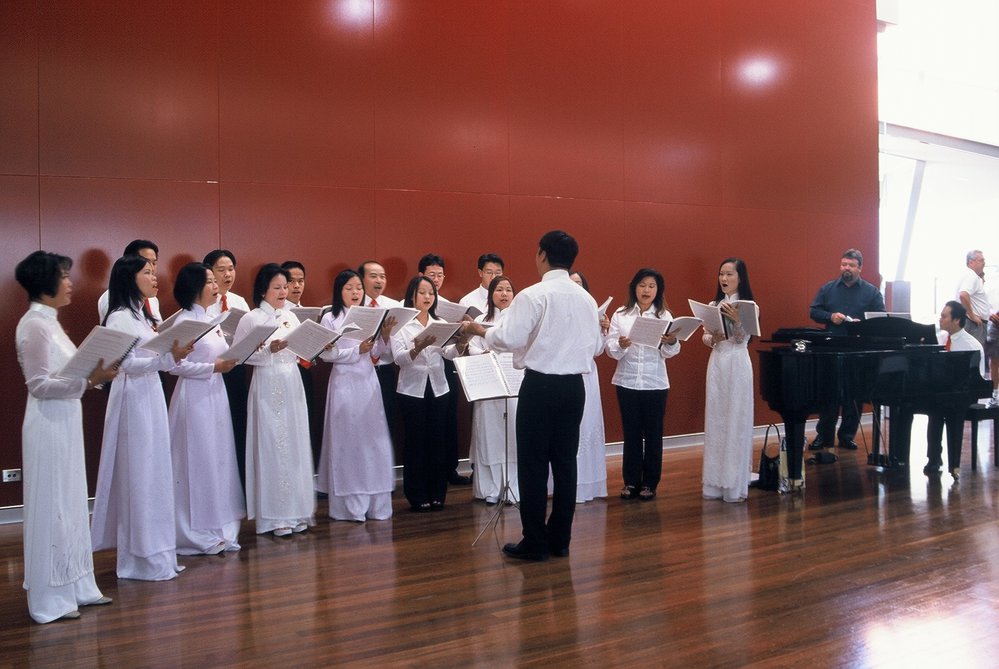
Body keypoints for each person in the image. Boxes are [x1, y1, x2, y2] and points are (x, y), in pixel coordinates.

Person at [464, 230, 603, 561]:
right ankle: (561, 540)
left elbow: (508, 338)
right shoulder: (586, 299)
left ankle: (535, 542)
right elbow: (596, 345)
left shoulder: (533, 294)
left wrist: (480, 330)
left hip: (540, 386)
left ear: (542, 254)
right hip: (574, 388)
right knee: (566, 464)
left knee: (533, 464)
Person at [15, 251, 117, 623]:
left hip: (65, 419)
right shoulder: (34, 325)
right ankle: (51, 598)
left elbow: (65, 373)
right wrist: (89, 381)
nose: (70, 283)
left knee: (71, 501)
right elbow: (39, 385)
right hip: (48, 423)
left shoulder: (51, 323)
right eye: (63, 276)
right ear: (46, 282)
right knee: (52, 503)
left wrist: (93, 375)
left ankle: (77, 585)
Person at [91, 254, 192, 580]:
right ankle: (139, 558)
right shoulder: (120, 317)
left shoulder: (141, 315)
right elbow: (124, 364)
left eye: (153, 271)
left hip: (150, 393)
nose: (154, 277)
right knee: (139, 472)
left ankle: (159, 553)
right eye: (147, 272)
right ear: (129, 278)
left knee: (155, 471)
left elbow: (153, 359)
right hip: (131, 397)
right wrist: (164, 357)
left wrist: (172, 355)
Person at [167, 263, 244, 555]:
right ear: (194, 287)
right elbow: (175, 366)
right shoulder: (184, 321)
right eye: (210, 281)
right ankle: (195, 532)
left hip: (215, 394)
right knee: (197, 459)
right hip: (194, 397)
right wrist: (212, 368)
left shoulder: (212, 319)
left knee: (218, 457)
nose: (215, 285)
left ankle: (219, 526)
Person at [234, 263, 316, 536]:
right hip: (267, 383)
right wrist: (270, 350)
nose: (284, 292)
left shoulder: (290, 317)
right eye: (277, 287)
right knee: (272, 444)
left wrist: (314, 346)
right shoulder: (252, 318)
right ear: (263, 290)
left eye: (285, 287)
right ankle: (275, 517)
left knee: (294, 443)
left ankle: (297, 511)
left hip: (292, 381)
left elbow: (301, 351)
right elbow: (240, 356)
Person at [317, 269, 396, 522]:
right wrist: (356, 351)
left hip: (368, 382)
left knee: (373, 441)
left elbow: (379, 354)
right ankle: (351, 507)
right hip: (344, 382)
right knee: (348, 440)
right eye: (349, 288)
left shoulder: (370, 316)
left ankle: (377, 504)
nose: (355, 292)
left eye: (359, 288)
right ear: (339, 291)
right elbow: (326, 355)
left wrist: (384, 337)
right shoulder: (330, 318)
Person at [606, 268, 680, 502]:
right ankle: (630, 481)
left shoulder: (665, 316)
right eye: (642, 285)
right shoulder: (621, 314)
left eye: (651, 286)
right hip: (627, 381)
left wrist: (671, 342)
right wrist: (620, 345)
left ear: (658, 290)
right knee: (631, 434)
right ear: (634, 287)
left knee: (654, 434)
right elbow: (610, 348)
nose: (646, 290)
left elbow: (669, 353)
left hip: (654, 382)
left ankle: (649, 483)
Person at [893, 301, 987, 480]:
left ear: (957, 320)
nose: (940, 319)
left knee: (937, 410)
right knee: (905, 406)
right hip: (940, 390)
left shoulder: (972, 345)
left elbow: (976, 379)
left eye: (944, 316)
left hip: (964, 393)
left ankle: (937, 460)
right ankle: (900, 458)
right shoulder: (941, 338)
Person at [391, 275, 460, 511]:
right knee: (415, 443)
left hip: (439, 387)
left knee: (438, 441)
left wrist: (462, 343)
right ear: (412, 296)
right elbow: (399, 360)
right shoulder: (401, 325)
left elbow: (449, 354)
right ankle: (417, 495)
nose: (427, 297)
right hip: (412, 390)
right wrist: (417, 347)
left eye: (431, 293)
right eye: (422, 292)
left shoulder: (439, 322)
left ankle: (437, 493)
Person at [808, 248, 885, 451]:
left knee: (854, 396)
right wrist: (830, 317)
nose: (846, 268)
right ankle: (824, 435)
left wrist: (863, 324)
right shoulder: (828, 288)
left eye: (851, 265)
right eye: (843, 264)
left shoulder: (872, 292)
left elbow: (881, 318)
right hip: (831, 348)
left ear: (860, 268)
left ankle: (847, 436)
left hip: (858, 350)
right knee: (828, 395)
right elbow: (814, 311)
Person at [700, 258, 757, 503]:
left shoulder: (750, 306)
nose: (724, 278)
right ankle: (714, 484)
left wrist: (736, 320)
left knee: (735, 419)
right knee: (716, 419)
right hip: (717, 362)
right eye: (721, 274)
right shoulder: (714, 304)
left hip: (737, 362)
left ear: (740, 277)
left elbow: (743, 339)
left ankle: (734, 485)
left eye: (729, 274)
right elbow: (705, 336)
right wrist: (711, 338)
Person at [463, 275, 520, 505]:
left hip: (513, 382)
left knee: (513, 435)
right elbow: (472, 348)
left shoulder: (519, 320)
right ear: (491, 294)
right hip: (488, 383)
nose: (504, 294)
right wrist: (485, 354)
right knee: (489, 435)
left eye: (508, 290)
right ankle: (491, 488)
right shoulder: (481, 320)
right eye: (499, 290)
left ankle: (513, 487)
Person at [419, 253, 471, 486]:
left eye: (440, 275)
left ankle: (449, 470)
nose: (436, 280)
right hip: (420, 367)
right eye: (432, 275)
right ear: (421, 275)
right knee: (425, 424)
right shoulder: (410, 305)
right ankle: (428, 474)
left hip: (447, 362)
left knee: (448, 420)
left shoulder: (447, 305)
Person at [204, 249, 250, 492]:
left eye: (231, 269)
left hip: (236, 369)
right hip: (211, 371)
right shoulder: (202, 303)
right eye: (221, 270)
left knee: (238, 424)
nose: (227, 275)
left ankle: (239, 486)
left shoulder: (239, 302)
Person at [568, 270, 609, 503]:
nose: (576, 287)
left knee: (588, 423)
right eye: (571, 283)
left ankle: (588, 483)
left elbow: (598, 349)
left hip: (587, 373)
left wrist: (602, 329)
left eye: (579, 283)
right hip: (566, 371)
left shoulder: (592, 310)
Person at [281, 259, 323, 467]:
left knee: (305, 421)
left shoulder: (308, 312)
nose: (297, 286)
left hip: (304, 372)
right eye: (291, 282)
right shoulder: (278, 313)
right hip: (283, 373)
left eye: (301, 281)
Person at [359, 260, 404, 453]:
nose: (379, 280)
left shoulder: (393, 307)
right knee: (361, 423)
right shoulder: (355, 305)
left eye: (382, 276)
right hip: (359, 372)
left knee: (385, 422)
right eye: (373, 276)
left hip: (385, 372)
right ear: (361, 279)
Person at [98, 239, 161, 323]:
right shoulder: (111, 298)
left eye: (154, 263)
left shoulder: (153, 299)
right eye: (145, 262)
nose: (152, 268)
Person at [957, 249, 989, 349]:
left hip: (971, 322)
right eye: (981, 260)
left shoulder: (969, 276)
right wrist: (972, 315)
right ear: (971, 262)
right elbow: (963, 295)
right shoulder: (972, 276)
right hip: (973, 324)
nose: (984, 263)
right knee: (974, 353)